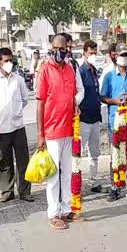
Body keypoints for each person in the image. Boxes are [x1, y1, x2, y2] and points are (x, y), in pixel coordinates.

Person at [37, 35, 83, 229]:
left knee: (67, 174)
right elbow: (39, 102)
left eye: (63, 48)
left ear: (67, 49)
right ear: (51, 48)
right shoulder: (45, 71)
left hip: (69, 129)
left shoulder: (70, 69)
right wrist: (40, 134)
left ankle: (65, 210)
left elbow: (73, 95)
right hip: (52, 130)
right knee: (53, 176)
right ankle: (53, 213)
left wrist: (75, 106)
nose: (59, 51)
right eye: (56, 48)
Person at [0, 48, 33, 204]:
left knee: (23, 160)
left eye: (10, 60)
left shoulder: (18, 79)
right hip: (1, 128)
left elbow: (25, 98)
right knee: (3, 162)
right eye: (5, 61)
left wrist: (17, 109)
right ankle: (7, 191)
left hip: (18, 126)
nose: (8, 63)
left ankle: (24, 191)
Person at [100, 42, 127, 201]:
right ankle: (115, 187)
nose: (123, 57)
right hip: (115, 123)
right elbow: (102, 97)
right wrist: (115, 101)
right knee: (116, 155)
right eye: (121, 55)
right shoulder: (109, 76)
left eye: (126, 54)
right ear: (115, 56)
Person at [79, 40, 104, 193]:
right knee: (78, 154)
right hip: (83, 119)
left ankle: (94, 182)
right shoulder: (80, 72)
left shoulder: (94, 71)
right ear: (84, 53)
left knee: (94, 153)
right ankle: (75, 184)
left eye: (95, 52)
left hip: (95, 118)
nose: (93, 55)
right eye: (91, 53)